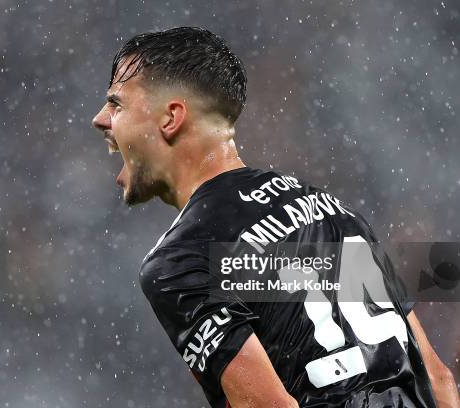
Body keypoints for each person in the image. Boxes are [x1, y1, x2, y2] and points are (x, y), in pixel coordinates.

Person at [91, 26, 459, 408]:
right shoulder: (332, 210)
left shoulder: (180, 260)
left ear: (171, 118)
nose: (101, 119)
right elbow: (438, 378)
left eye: (117, 104)